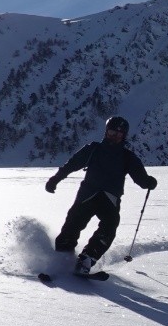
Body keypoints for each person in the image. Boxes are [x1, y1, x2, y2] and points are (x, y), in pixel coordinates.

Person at [45, 115, 157, 275]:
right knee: (72, 225)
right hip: (87, 196)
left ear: (124, 136)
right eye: (112, 132)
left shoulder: (127, 157)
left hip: (109, 200)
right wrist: (55, 179)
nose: (115, 136)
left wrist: (148, 182)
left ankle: (87, 259)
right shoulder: (93, 149)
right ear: (106, 132)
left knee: (109, 228)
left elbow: (140, 178)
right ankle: (62, 258)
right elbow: (71, 165)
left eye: (119, 134)